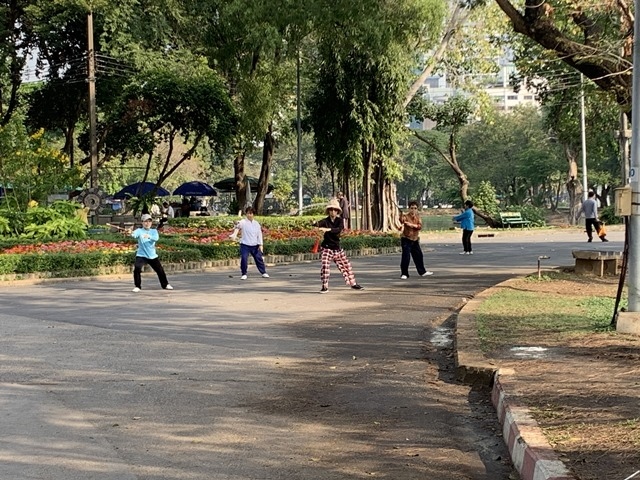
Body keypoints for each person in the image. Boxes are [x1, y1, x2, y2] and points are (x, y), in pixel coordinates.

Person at [314, 198, 364, 293]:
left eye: (335, 210)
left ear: (337, 211)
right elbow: (318, 224)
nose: (333, 211)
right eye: (331, 209)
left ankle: (353, 284)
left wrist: (328, 229)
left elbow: (339, 229)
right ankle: (324, 286)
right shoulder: (325, 221)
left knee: (346, 266)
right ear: (328, 211)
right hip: (326, 248)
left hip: (337, 248)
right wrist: (314, 223)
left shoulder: (339, 221)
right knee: (325, 266)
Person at [129, 214, 173, 292]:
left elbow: (156, 238)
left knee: (160, 270)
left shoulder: (154, 231)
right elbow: (134, 234)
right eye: (145, 221)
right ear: (142, 222)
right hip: (141, 255)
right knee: (137, 268)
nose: (147, 223)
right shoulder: (139, 231)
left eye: (149, 221)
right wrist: (130, 232)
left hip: (152, 255)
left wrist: (148, 236)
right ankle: (137, 286)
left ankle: (165, 284)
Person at [229, 206, 269, 280]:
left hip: (255, 245)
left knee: (259, 259)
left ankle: (263, 272)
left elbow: (259, 234)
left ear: (253, 214)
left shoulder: (256, 224)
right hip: (245, 245)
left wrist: (261, 244)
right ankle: (244, 273)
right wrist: (234, 235)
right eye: (247, 213)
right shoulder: (243, 222)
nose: (249, 215)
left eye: (251, 213)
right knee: (244, 258)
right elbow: (237, 227)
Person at [399, 201, 433, 279]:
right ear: (409, 209)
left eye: (415, 208)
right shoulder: (405, 216)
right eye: (412, 208)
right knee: (406, 257)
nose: (413, 210)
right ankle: (404, 273)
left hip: (415, 239)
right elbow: (401, 221)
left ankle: (422, 272)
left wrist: (411, 225)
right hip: (406, 239)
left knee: (419, 255)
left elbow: (419, 226)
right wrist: (401, 215)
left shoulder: (418, 217)